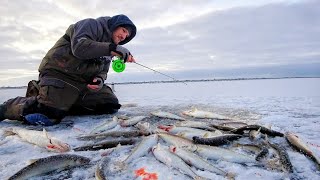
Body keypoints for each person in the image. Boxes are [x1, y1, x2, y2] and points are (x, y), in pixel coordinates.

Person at [0, 14, 137, 126]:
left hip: (81, 83)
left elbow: (103, 70)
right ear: (115, 25)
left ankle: (60, 101)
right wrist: (112, 48)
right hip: (59, 73)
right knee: (48, 113)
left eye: (127, 36)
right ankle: (9, 107)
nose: (124, 36)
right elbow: (80, 48)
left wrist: (99, 80)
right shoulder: (91, 25)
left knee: (109, 105)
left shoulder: (110, 48)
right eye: (124, 31)